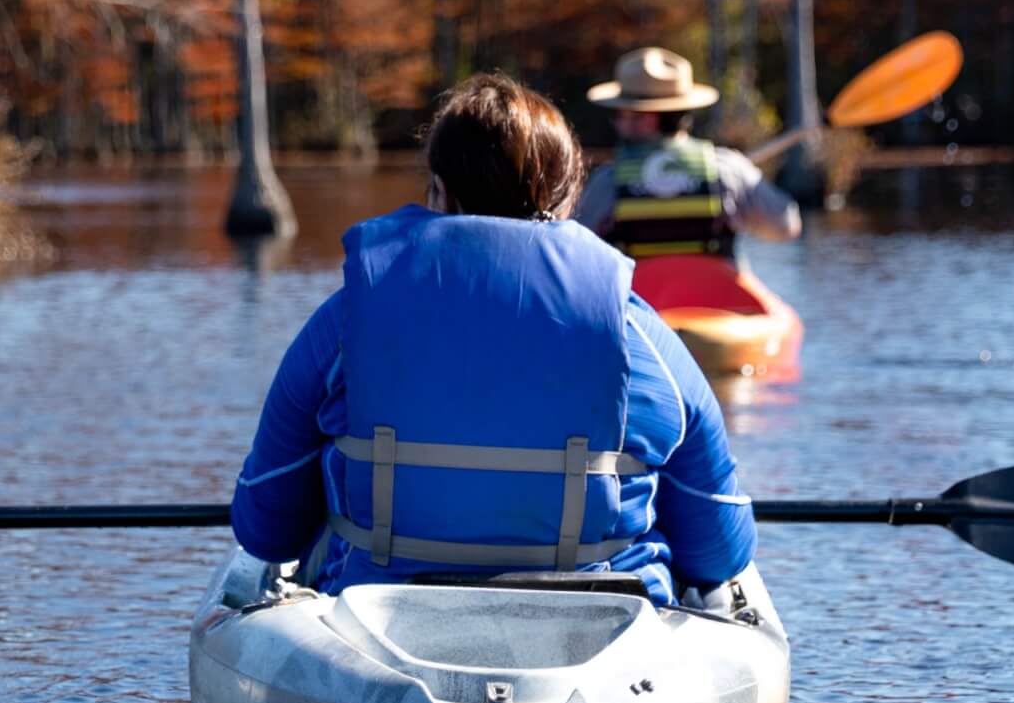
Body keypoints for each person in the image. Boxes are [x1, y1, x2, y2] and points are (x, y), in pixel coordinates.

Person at [228, 72, 755, 608]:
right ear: (568, 194)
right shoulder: (638, 334)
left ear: (438, 189)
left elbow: (266, 526)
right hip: (610, 619)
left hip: (374, 612)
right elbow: (719, 550)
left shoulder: (346, 324)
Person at [574, 47, 801, 259]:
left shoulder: (608, 181)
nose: (616, 124)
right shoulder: (728, 168)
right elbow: (787, 227)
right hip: (714, 298)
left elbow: (577, 252)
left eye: (619, 115)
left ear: (647, 120)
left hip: (642, 299)